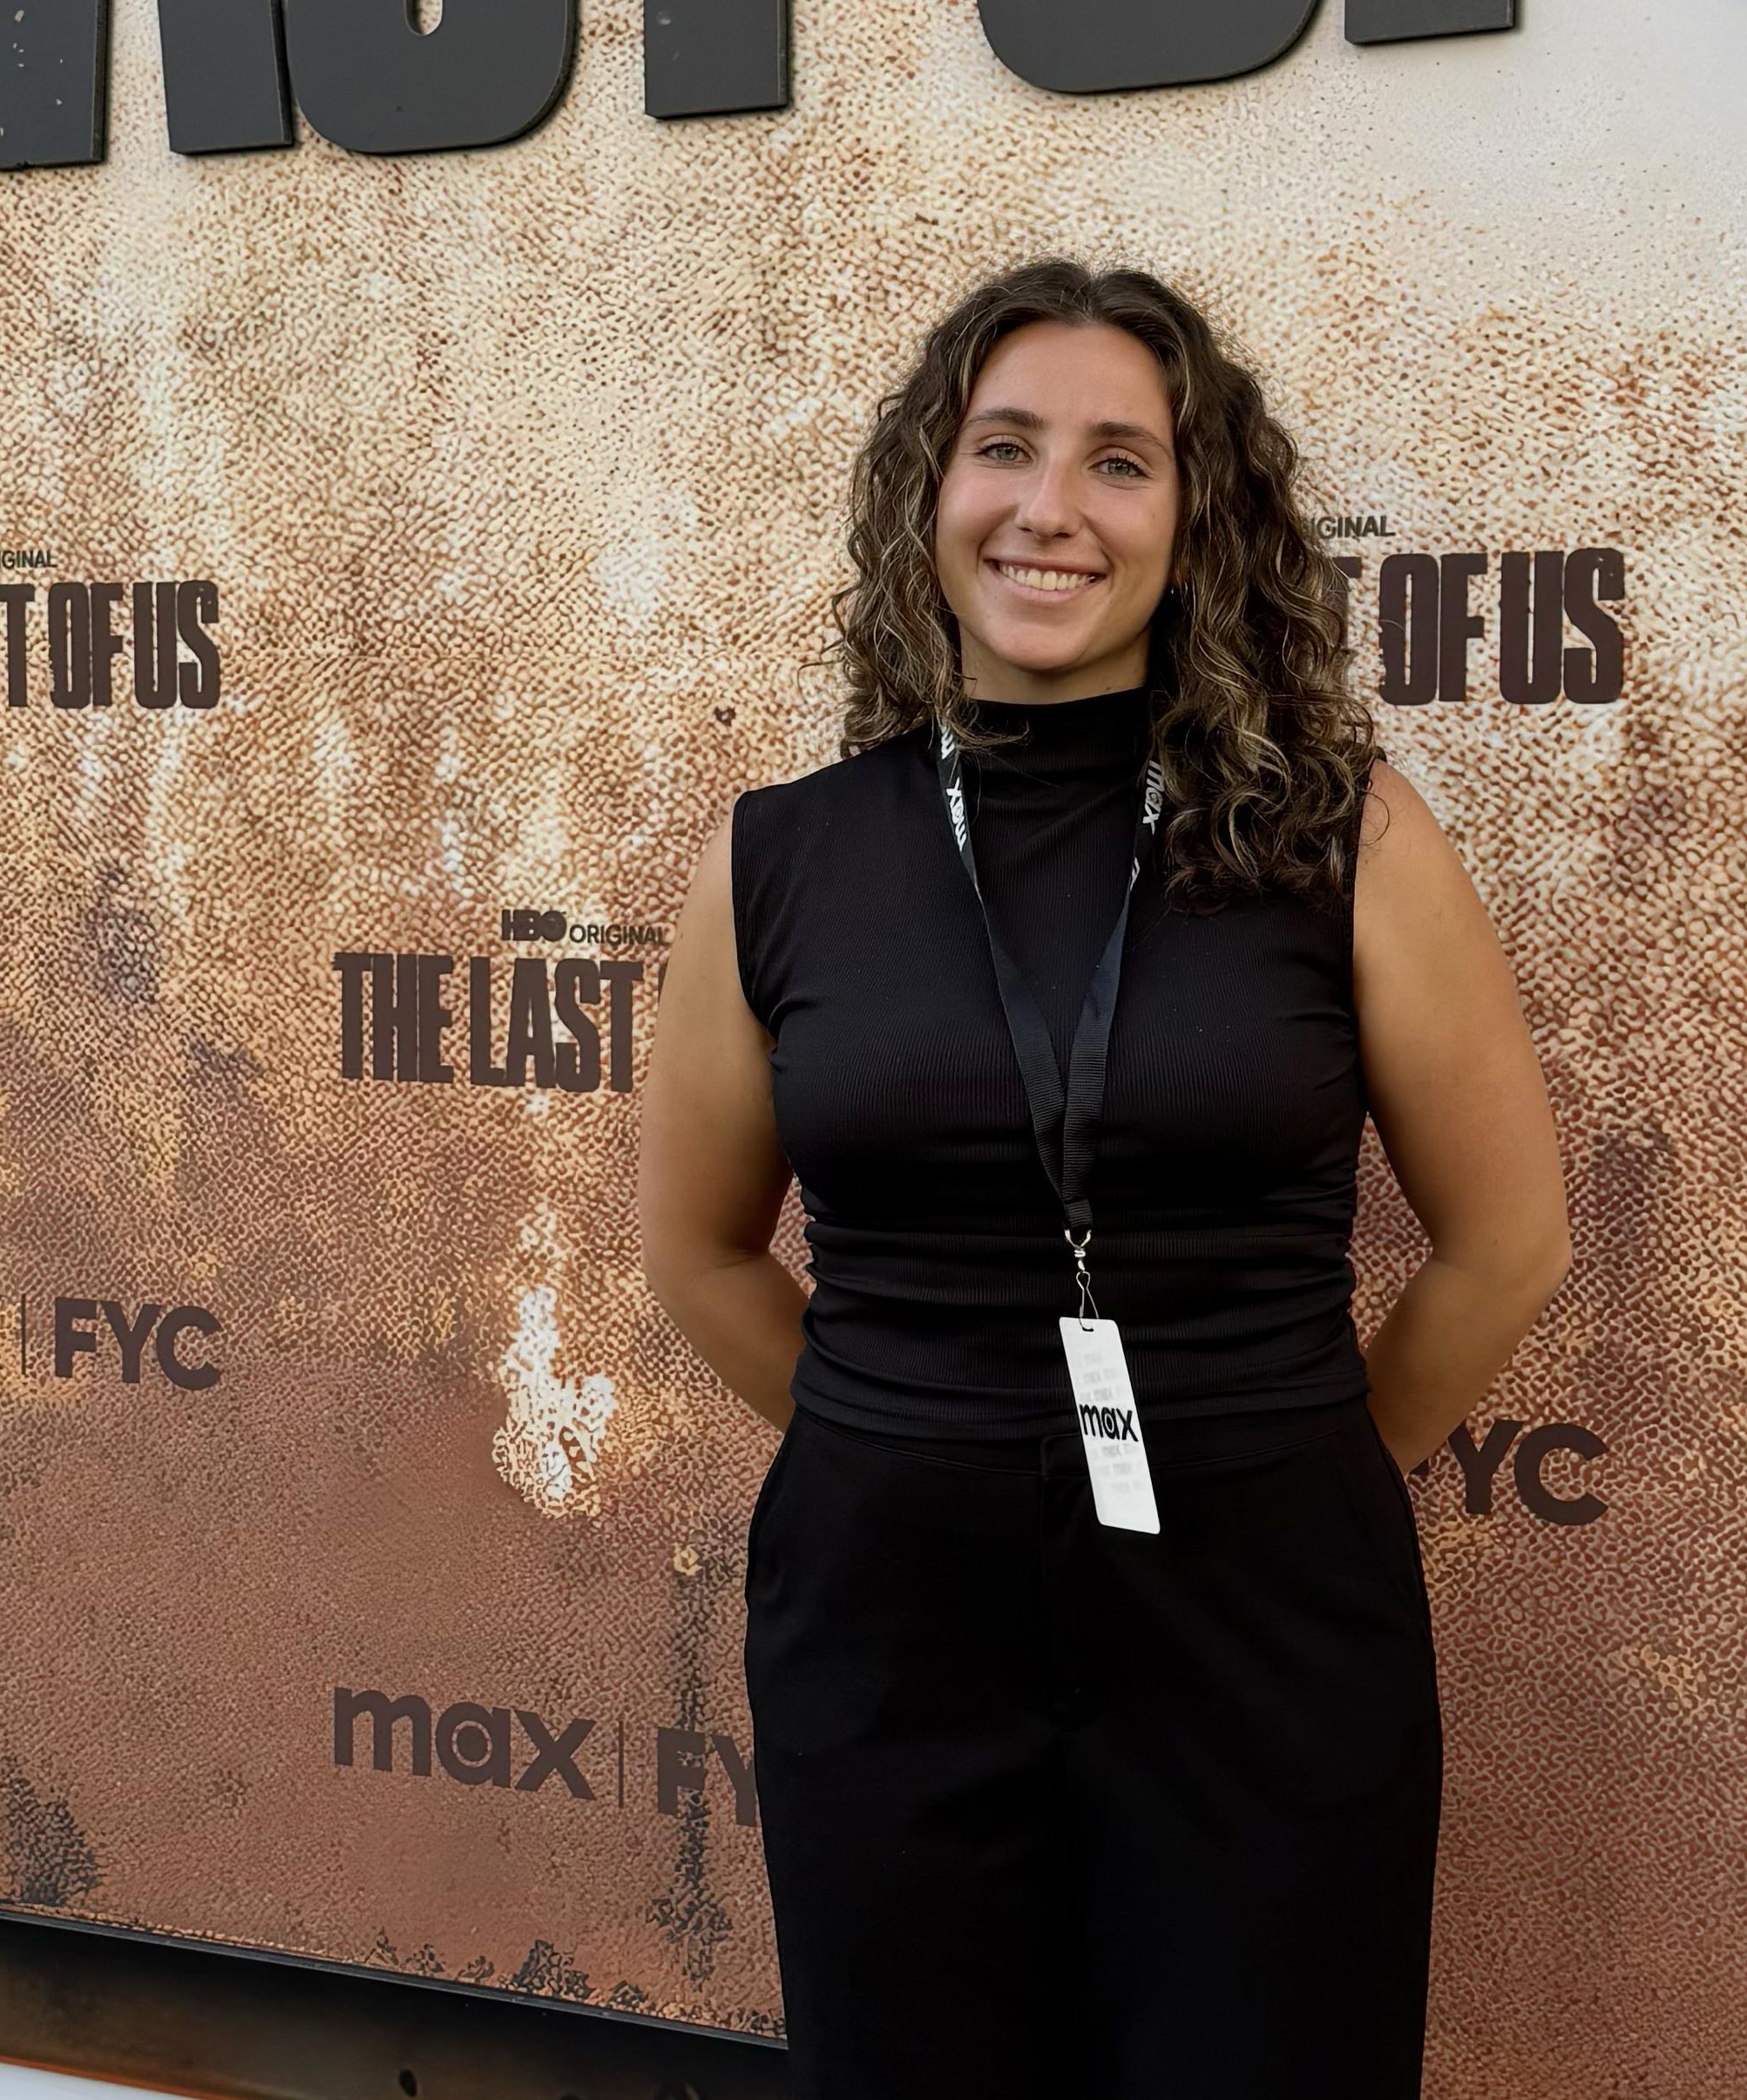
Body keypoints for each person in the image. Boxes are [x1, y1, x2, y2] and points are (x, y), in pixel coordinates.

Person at [635, 259, 1572, 2100]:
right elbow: (698, 1252)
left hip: (1263, 1638)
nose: (1050, 505)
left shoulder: (1343, 833)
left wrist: (1288, 1456)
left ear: (1197, 523)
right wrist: (910, 1429)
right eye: (1003, 447)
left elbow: (1506, 1243)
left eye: (1119, 461)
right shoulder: (783, 857)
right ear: (930, 490)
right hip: (890, 1640)